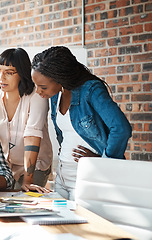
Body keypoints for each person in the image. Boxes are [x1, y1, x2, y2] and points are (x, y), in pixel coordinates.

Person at [31, 46, 132, 200]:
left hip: (86, 177)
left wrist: (105, 161)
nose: (38, 91)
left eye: (42, 87)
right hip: (62, 176)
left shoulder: (90, 90)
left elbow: (121, 128)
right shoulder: (55, 94)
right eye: (36, 86)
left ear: (60, 78)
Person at [0, 48, 53, 193]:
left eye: (9, 73)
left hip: (35, 165)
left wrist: (28, 180)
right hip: (4, 166)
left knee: (24, 200)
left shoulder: (36, 96)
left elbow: (32, 137)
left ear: (22, 73)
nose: (1, 77)